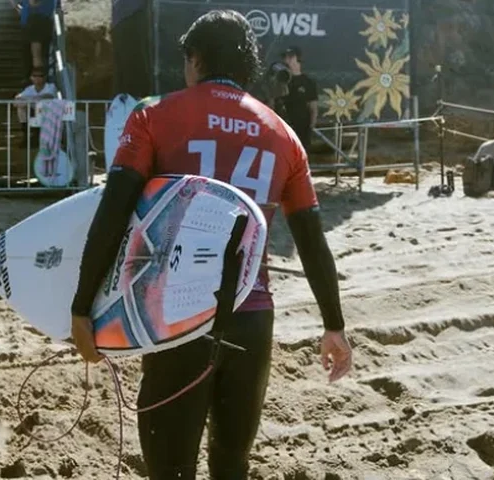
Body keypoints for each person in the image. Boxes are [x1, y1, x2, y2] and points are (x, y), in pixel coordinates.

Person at [69, 10, 352, 480]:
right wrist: (334, 325)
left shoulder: (153, 116)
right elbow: (311, 240)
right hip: (252, 318)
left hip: (176, 318)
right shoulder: (285, 137)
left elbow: (113, 211)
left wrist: (83, 306)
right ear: (248, 68)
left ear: (194, 59)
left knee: (170, 470)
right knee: (231, 464)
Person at [9, 0, 62, 77]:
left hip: (36, 21)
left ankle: (37, 82)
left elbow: (33, 3)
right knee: (35, 55)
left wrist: (18, 8)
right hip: (36, 21)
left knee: (36, 55)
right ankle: (37, 81)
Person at [281, 46, 318, 153]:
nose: (286, 60)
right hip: (283, 127)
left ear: (298, 59)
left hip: (302, 129)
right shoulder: (279, 80)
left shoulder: (308, 82)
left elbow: (313, 108)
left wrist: (311, 128)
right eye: (285, 57)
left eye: (290, 57)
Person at [14, 65, 58, 148]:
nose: (37, 78)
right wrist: (29, 100)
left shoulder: (50, 86)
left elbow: (48, 96)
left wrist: (29, 99)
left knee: (40, 105)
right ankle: (26, 133)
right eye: (35, 76)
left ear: (45, 77)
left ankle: (39, 135)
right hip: (34, 112)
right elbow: (17, 100)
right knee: (21, 108)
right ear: (31, 78)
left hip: (49, 114)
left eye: (40, 76)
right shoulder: (29, 89)